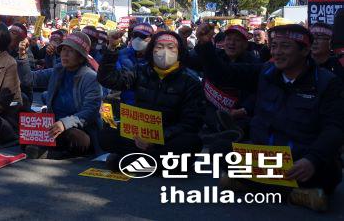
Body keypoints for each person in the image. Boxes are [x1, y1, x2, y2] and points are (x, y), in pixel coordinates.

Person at [212, 24, 344, 212]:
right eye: (274, 46)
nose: (277, 52)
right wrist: (204, 44)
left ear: (305, 50)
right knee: (219, 150)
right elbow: (223, 74)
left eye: (285, 46)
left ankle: (249, 184)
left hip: (299, 159)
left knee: (328, 172)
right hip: (266, 156)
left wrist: (311, 160)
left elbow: (335, 128)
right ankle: (295, 194)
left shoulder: (327, 82)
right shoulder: (265, 72)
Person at [98, 31, 205, 170]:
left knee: (191, 143)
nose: (165, 52)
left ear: (179, 52)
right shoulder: (139, 71)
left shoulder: (190, 81)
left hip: (168, 138)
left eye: (171, 47)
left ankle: (132, 160)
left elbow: (191, 122)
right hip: (138, 135)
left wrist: (157, 139)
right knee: (106, 135)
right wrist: (111, 48)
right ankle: (153, 163)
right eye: (159, 47)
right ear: (151, 50)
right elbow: (108, 79)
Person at [19, 32, 102, 159]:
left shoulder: (91, 77)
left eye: (71, 51)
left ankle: (48, 151)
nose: (65, 54)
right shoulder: (57, 70)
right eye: (63, 49)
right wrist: (22, 56)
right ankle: (44, 147)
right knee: (25, 117)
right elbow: (29, 79)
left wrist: (64, 123)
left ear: (81, 57)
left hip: (78, 128)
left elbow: (90, 112)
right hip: (53, 123)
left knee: (76, 139)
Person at [193, 24, 261, 137]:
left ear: (245, 44)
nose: (231, 43)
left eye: (237, 40)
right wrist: (183, 39)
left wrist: (245, 109)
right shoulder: (216, 55)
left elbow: (258, 92)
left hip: (240, 118)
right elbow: (190, 60)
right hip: (210, 115)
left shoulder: (254, 63)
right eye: (228, 39)